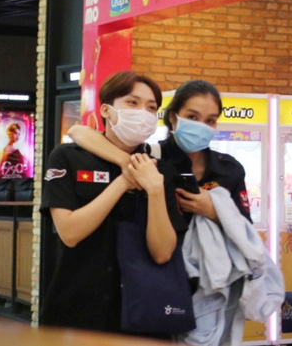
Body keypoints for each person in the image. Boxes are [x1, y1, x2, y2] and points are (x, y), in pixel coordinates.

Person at [41, 71, 186, 333]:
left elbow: (163, 252)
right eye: (132, 103)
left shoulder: (159, 171)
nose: (143, 112)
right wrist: (122, 182)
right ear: (106, 110)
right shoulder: (68, 157)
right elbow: (70, 233)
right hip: (77, 310)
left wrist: (154, 190)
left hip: (142, 314)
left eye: (151, 107)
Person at [70, 79, 252, 223]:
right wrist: (124, 161)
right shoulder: (151, 157)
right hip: (165, 266)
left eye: (210, 120)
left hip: (216, 268)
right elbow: (78, 132)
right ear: (173, 116)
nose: (201, 126)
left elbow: (245, 230)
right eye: (192, 117)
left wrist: (213, 211)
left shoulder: (230, 169)